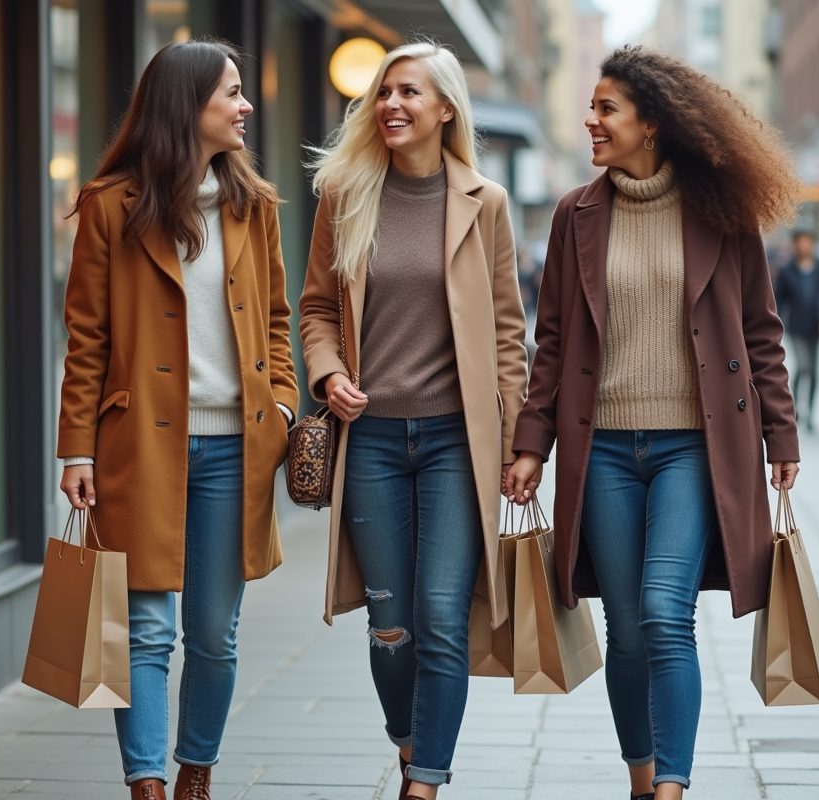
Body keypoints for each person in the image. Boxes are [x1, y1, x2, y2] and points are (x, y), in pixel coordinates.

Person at [504, 46, 801, 800]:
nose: (591, 120)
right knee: (628, 629)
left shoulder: (722, 213)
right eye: (593, 106)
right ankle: (642, 780)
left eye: (607, 108)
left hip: (694, 450)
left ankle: (671, 787)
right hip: (599, 449)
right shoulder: (576, 215)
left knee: (667, 615)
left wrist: (781, 434)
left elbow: (761, 333)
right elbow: (554, 339)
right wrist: (532, 444)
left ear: (653, 124)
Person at [56, 41, 298, 800]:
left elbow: (280, 321)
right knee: (146, 632)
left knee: (214, 636)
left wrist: (284, 405)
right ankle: (148, 784)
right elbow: (86, 340)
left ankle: (196, 769)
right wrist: (76, 451)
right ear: (186, 105)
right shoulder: (109, 206)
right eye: (231, 92)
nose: (245, 105)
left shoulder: (252, 206)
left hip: (235, 448)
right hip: (139, 448)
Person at [298, 40, 527, 800]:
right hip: (371, 444)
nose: (391, 105)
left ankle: (425, 782)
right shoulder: (345, 194)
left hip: (456, 443)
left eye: (409, 93)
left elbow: (505, 334)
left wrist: (519, 442)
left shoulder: (484, 203)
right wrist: (328, 372)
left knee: (439, 615)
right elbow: (317, 310)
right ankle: (408, 742)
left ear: (445, 109)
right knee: (390, 629)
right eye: (383, 92)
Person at [773, 229, 819, 429]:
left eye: (807, 241)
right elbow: (778, 300)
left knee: (814, 372)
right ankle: (795, 410)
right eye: (800, 242)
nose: (803, 245)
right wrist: (774, 324)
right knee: (803, 367)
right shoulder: (787, 270)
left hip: (817, 326)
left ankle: (811, 412)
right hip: (796, 326)